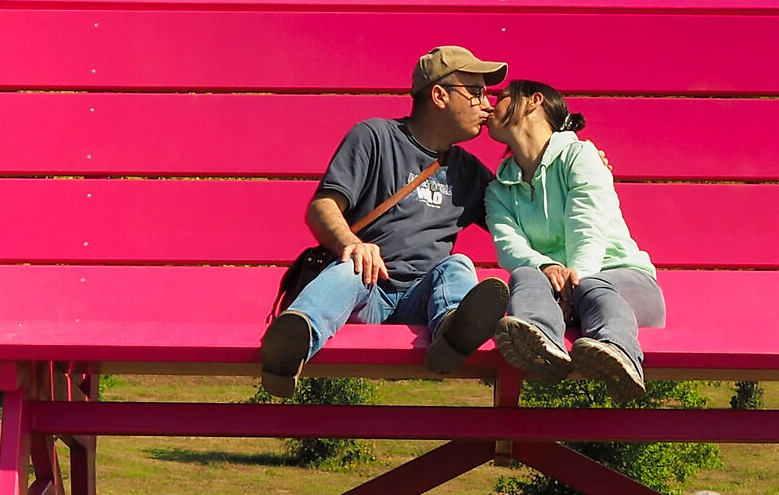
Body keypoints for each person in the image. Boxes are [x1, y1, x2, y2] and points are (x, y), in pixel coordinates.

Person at [258, 46, 513, 397]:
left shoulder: (468, 172)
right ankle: (290, 346)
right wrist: (351, 243)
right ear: (439, 95)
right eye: (477, 92)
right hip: (366, 294)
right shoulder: (374, 137)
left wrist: (579, 167)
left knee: (458, 266)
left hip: (423, 301)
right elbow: (322, 207)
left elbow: (522, 215)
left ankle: (452, 332)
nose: (487, 104)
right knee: (352, 267)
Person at [484, 80, 664, 396]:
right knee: (526, 273)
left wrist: (576, 280)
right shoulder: (499, 189)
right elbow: (508, 245)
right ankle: (543, 344)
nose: (489, 106)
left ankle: (620, 351)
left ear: (532, 102)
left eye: (501, 97)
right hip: (564, 300)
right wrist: (546, 266)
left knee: (594, 285)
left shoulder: (580, 156)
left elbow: (588, 227)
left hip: (626, 284)